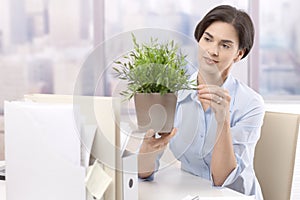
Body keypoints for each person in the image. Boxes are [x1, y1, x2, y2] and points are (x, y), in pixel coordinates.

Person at [138, 5, 264, 200]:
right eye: (207, 39)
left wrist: (223, 120)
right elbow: (143, 174)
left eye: (225, 45)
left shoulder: (251, 104)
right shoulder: (174, 94)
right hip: (191, 193)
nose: (212, 51)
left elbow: (222, 180)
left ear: (239, 54)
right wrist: (147, 149)